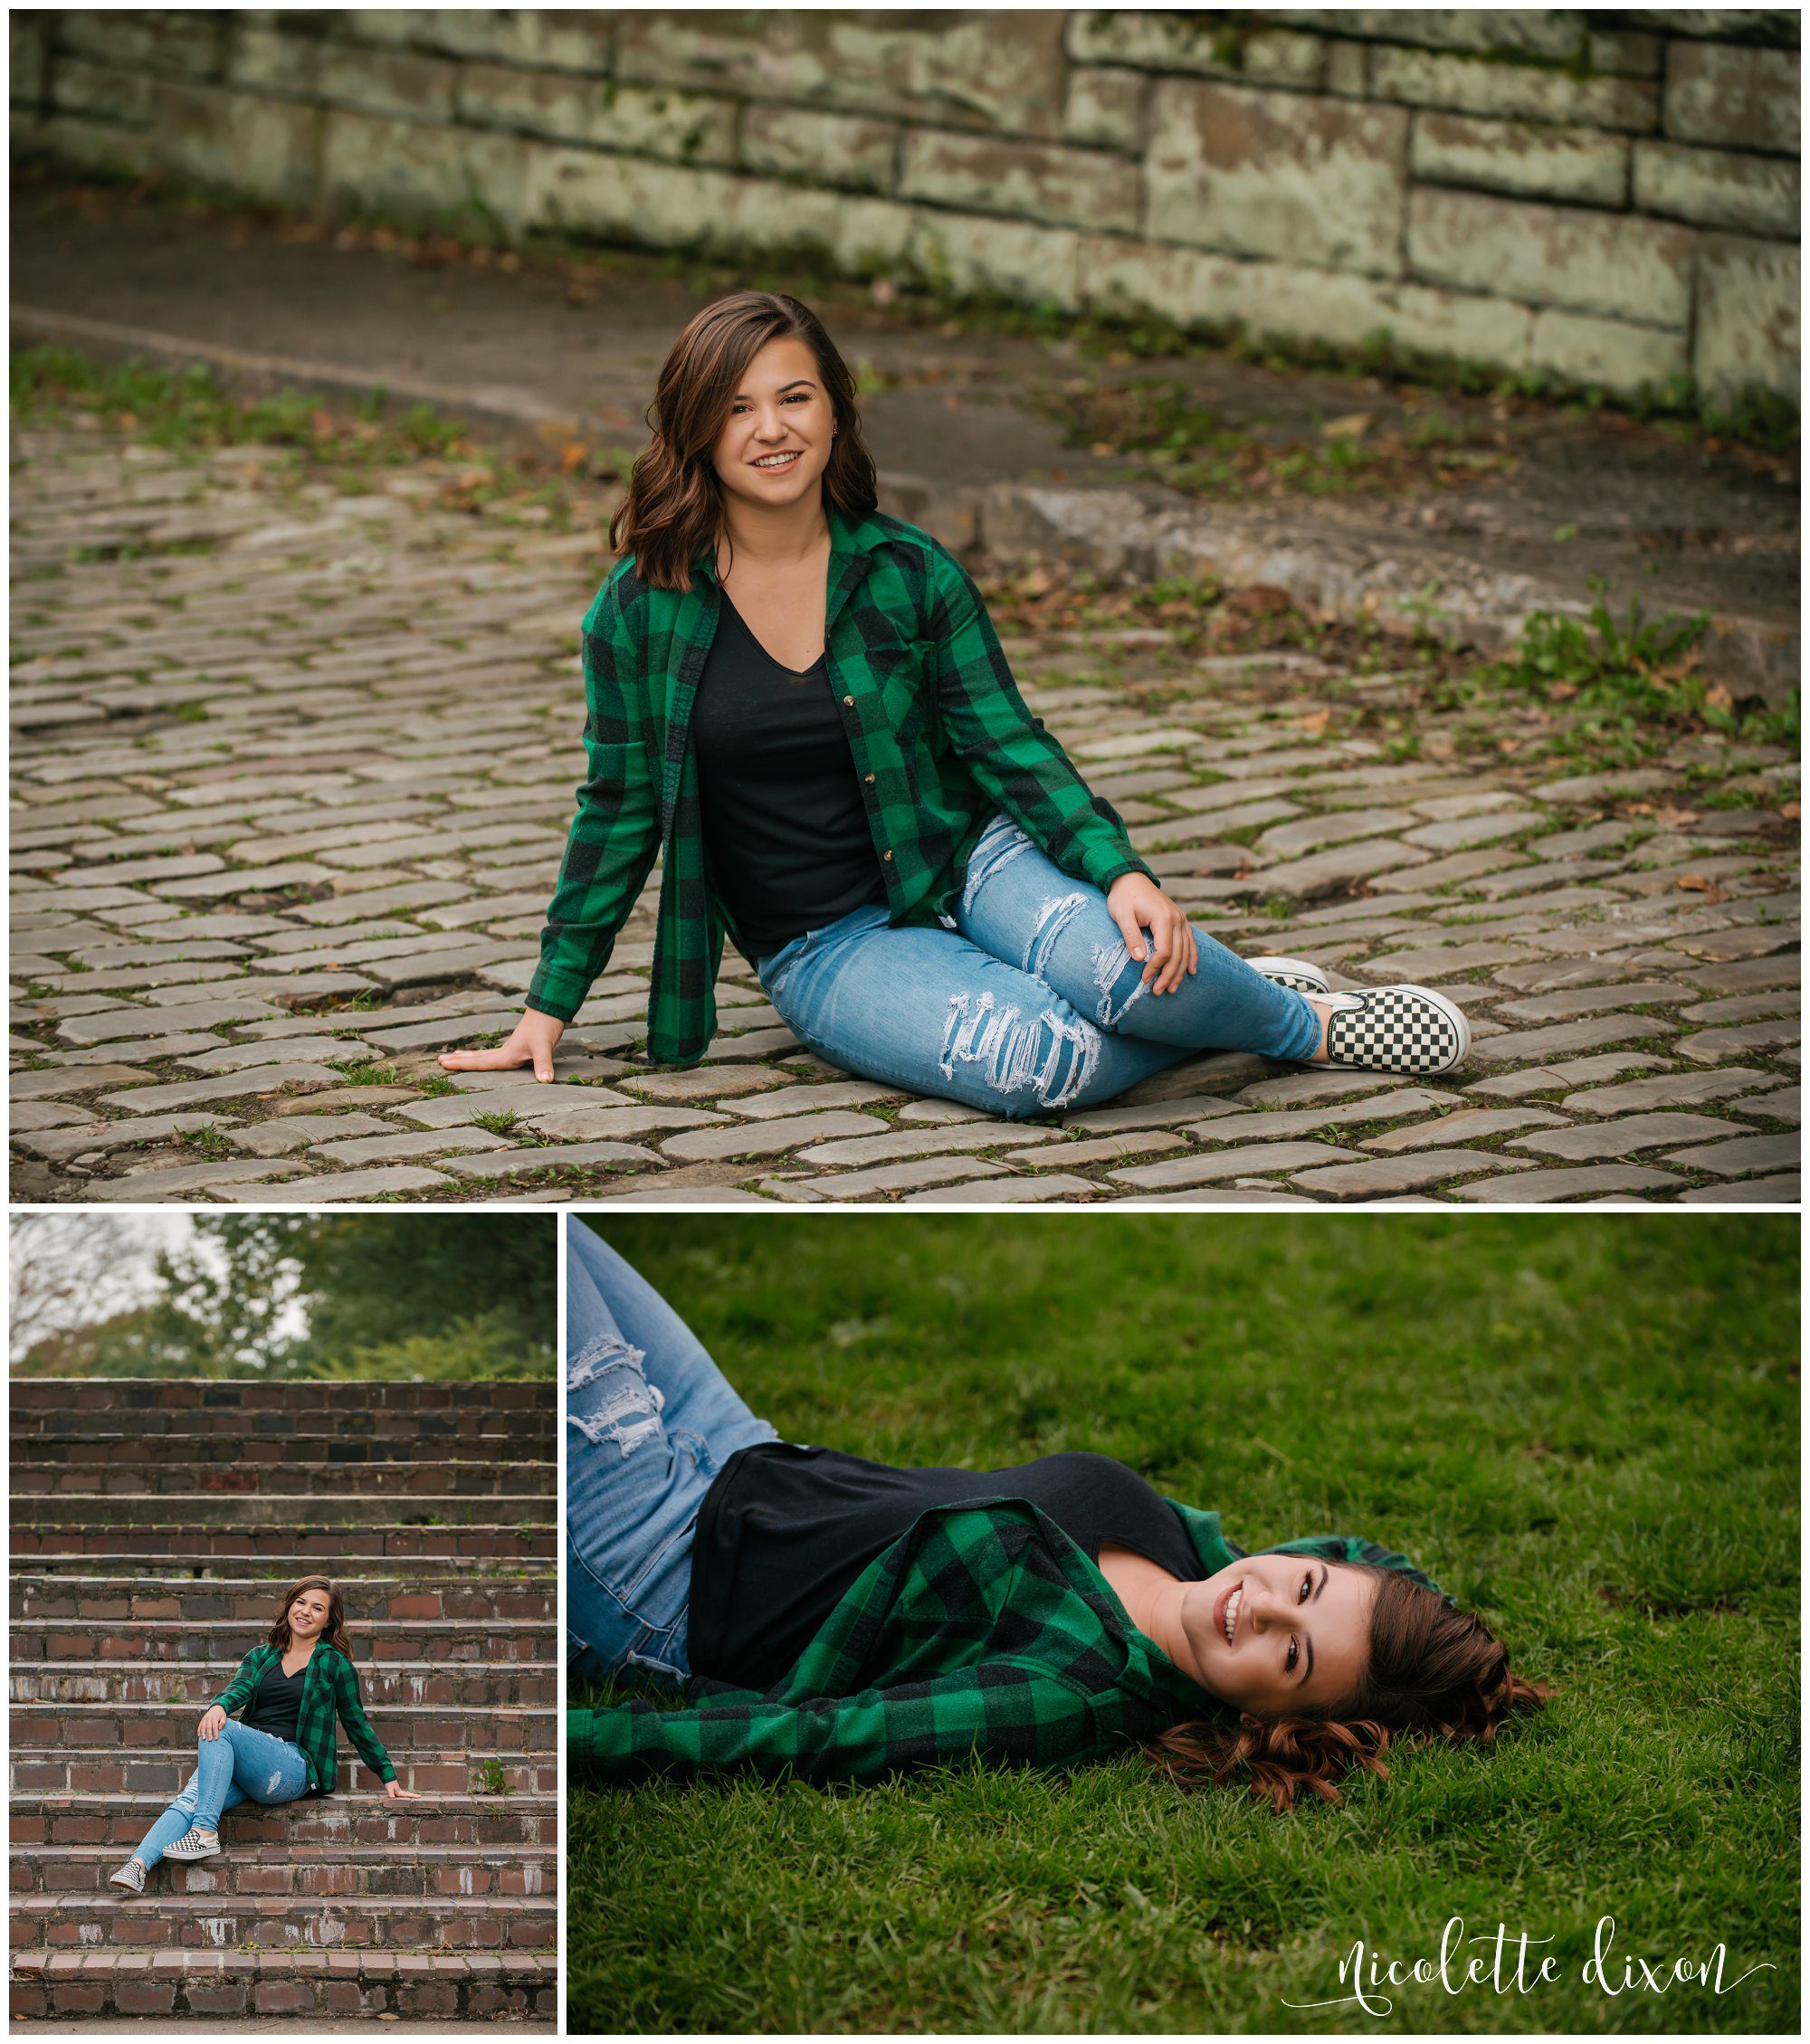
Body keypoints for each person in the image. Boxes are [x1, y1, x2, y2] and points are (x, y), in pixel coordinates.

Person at [440, 290, 1470, 1117]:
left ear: (835, 412)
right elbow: (617, 809)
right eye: (737, 407)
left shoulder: (907, 573)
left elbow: (1008, 740)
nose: (771, 429)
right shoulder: (637, 610)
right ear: (695, 429)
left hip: (970, 862)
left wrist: (1119, 871)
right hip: (825, 944)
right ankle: (1219, 1007)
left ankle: (1302, 1027)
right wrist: (548, 1007)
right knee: (1040, 1061)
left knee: (1128, 970)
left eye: (794, 398)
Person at [564, 1230, 1544, 1811]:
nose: (1264, 1605)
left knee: (535, 1243)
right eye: (1304, 1584)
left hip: (663, 1568)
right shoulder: (1202, 1558)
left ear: (1272, 1719)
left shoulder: (1073, 1688)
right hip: (745, 1452)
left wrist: (564, 1741)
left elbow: (821, 1736)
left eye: (1290, 1654)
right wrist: (1448, 1659)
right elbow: (1361, 1566)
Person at [107, 1576, 419, 1892]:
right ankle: (138, 1865)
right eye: (300, 1602)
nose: (305, 1611)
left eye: (317, 1608)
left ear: (328, 1621)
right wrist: (220, 1705)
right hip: (253, 1762)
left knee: (222, 1729)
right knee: (192, 1796)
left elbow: (356, 1722)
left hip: (293, 1765)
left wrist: (387, 1774)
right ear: (289, 1606)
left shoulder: (335, 1665)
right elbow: (240, 1687)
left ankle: (204, 1831)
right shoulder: (261, 1656)